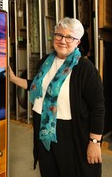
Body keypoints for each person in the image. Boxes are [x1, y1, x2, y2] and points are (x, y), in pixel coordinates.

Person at [9, 17, 105, 177]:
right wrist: (13, 79)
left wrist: (95, 142)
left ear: (78, 42)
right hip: (44, 129)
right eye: (59, 35)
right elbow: (38, 86)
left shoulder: (85, 69)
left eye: (69, 37)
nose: (63, 41)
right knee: (49, 171)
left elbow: (98, 107)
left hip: (70, 132)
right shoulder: (45, 62)